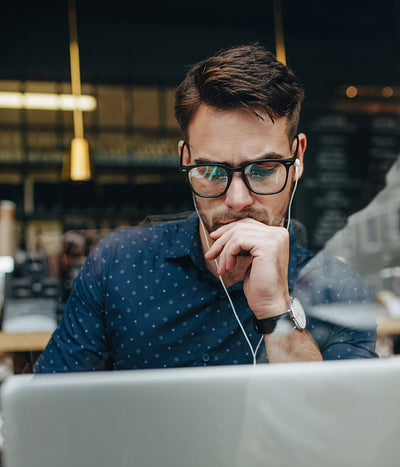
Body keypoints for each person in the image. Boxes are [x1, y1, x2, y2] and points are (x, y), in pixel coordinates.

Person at [34, 43, 377, 373]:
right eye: (212, 172)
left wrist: (277, 312)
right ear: (186, 160)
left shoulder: (336, 289)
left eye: (263, 170)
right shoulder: (117, 266)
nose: (239, 199)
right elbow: (47, 414)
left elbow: (338, 427)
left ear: (297, 158)